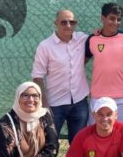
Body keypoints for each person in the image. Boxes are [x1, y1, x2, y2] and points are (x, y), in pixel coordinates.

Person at [31, 9, 89, 143]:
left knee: (78, 144)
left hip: (79, 102)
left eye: (72, 22)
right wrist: (44, 104)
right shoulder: (45, 46)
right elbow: (37, 76)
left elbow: (101, 37)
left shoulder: (82, 39)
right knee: (49, 143)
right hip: (54, 104)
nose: (68, 25)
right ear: (56, 23)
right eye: (64, 22)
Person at [85, 3, 123, 125]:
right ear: (103, 18)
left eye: (119, 20)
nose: (115, 22)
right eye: (112, 18)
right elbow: (82, 61)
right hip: (98, 97)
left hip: (122, 98)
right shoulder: (92, 39)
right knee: (96, 136)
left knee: (121, 136)